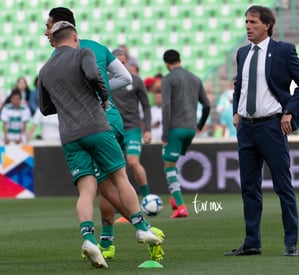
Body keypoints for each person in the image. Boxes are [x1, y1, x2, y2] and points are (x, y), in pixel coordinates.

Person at [38, 21, 162, 269]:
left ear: (55, 39)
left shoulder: (45, 69)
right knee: (119, 177)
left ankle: (88, 239)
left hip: (70, 135)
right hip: (96, 127)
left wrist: (65, 106)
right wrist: (104, 98)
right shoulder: (83, 52)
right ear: (74, 37)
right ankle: (140, 227)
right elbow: (95, 75)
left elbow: (44, 108)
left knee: (86, 190)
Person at [225, 5, 299, 257]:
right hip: (247, 129)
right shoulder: (242, 53)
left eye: (252, 22)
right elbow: (239, 86)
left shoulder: (283, 50)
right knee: (248, 187)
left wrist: (289, 111)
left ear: (267, 25)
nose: (248, 26)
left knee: (283, 186)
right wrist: (236, 110)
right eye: (246, 22)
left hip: (272, 126)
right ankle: (252, 242)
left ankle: (291, 243)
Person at [161, 49, 211, 218]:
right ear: (179, 59)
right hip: (190, 128)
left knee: (168, 164)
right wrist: (199, 125)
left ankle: (181, 206)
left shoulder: (168, 79)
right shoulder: (195, 78)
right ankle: (175, 200)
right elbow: (207, 105)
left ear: (167, 64)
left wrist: (165, 134)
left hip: (176, 127)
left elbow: (166, 106)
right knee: (172, 163)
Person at [106, 47, 152, 216]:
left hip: (132, 128)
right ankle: (120, 203)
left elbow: (146, 105)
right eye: (117, 62)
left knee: (133, 161)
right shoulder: (106, 81)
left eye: (123, 62)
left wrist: (147, 128)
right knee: (117, 167)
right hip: (113, 129)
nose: (121, 64)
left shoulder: (136, 80)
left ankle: (147, 198)